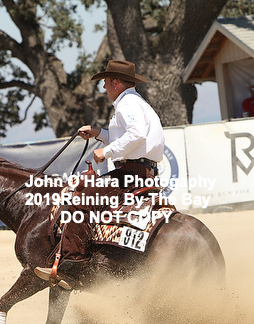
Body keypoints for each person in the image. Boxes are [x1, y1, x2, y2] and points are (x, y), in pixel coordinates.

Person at [34, 60, 165, 289]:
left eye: (105, 82)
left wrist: (106, 151)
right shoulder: (135, 102)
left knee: (79, 200)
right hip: (142, 170)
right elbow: (127, 137)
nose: (103, 87)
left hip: (131, 171)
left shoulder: (127, 104)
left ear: (115, 82)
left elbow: (136, 135)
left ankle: (71, 264)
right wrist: (98, 133)